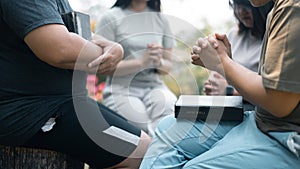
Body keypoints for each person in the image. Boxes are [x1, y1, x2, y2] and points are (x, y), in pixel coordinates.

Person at [139, 0, 300, 168]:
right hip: (261, 120)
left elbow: (279, 103)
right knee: (167, 128)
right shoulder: (275, 12)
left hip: (284, 135)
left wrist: (222, 64)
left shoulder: (291, 8)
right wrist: (225, 63)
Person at [0, 0, 151, 168]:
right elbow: (59, 48)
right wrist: (104, 53)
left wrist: (114, 47)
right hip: (31, 111)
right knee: (143, 154)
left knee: (146, 145)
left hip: (62, 103)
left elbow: (78, 33)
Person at [95, 0, 177, 136]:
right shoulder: (110, 17)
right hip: (121, 89)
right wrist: (141, 62)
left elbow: (167, 67)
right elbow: (103, 68)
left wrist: (158, 61)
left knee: (168, 118)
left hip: (155, 87)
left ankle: (161, 155)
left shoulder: (161, 19)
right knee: (142, 128)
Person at [203, 0, 273, 97]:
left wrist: (229, 91)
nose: (241, 11)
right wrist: (213, 85)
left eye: (247, 5)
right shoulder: (233, 35)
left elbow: (272, 93)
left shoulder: (273, 38)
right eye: (237, 5)